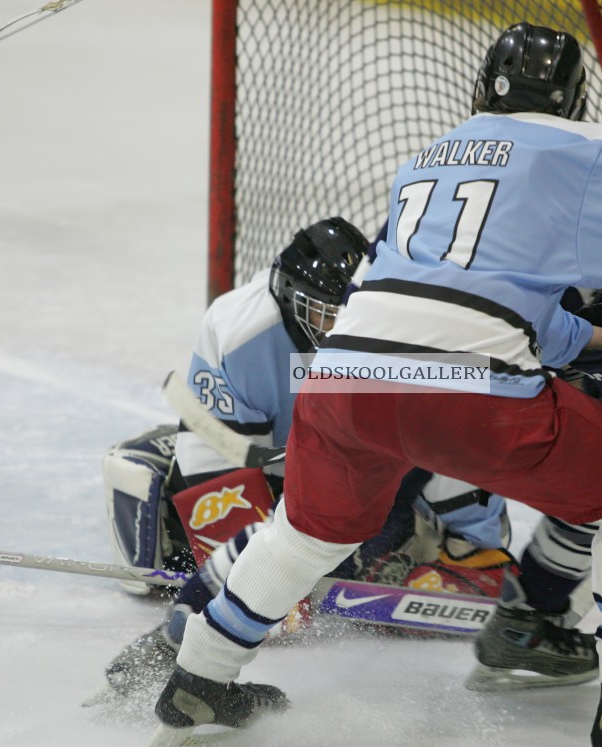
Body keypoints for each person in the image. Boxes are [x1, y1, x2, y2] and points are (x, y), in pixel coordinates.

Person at [151, 22, 602, 746]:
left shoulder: (428, 157)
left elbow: (463, 295)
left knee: (308, 529)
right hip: (467, 386)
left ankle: (198, 680)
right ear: (573, 98)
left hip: (344, 380)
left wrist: (597, 340)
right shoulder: (589, 149)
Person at [98, 216, 517, 700]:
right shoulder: (238, 329)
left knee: (431, 433)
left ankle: (408, 550)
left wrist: (477, 548)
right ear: (290, 298)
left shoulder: (392, 322)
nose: (341, 328)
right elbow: (217, 459)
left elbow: (445, 432)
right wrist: (256, 577)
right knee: (214, 556)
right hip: (275, 477)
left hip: (360, 466)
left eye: (348, 312)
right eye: (325, 314)